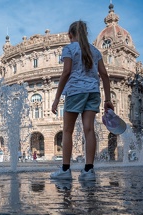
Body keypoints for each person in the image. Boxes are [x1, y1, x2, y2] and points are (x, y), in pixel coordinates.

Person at [50, 20, 114, 181]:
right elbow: (104, 75)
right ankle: (89, 171)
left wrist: (57, 98)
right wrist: (108, 99)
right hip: (93, 92)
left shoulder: (69, 48)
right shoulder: (95, 51)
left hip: (75, 92)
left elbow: (66, 73)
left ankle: (65, 170)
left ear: (70, 35)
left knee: (67, 131)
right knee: (89, 130)